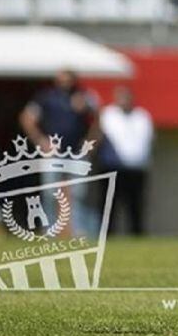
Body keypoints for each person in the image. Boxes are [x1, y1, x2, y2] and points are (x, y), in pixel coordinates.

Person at [19, 70, 99, 237]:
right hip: (53, 153)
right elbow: (26, 118)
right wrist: (41, 140)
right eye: (63, 79)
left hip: (76, 152)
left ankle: (79, 231)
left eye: (69, 80)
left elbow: (99, 119)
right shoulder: (45, 97)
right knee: (50, 193)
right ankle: (49, 231)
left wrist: (90, 142)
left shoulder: (84, 97)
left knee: (79, 194)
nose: (66, 83)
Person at [99, 87, 154, 235]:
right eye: (121, 97)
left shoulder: (142, 116)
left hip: (136, 168)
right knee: (109, 205)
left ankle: (137, 235)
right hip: (112, 167)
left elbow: (147, 139)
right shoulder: (107, 115)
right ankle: (107, 235)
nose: (124, 100)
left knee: (135, 205)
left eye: (127, 97)